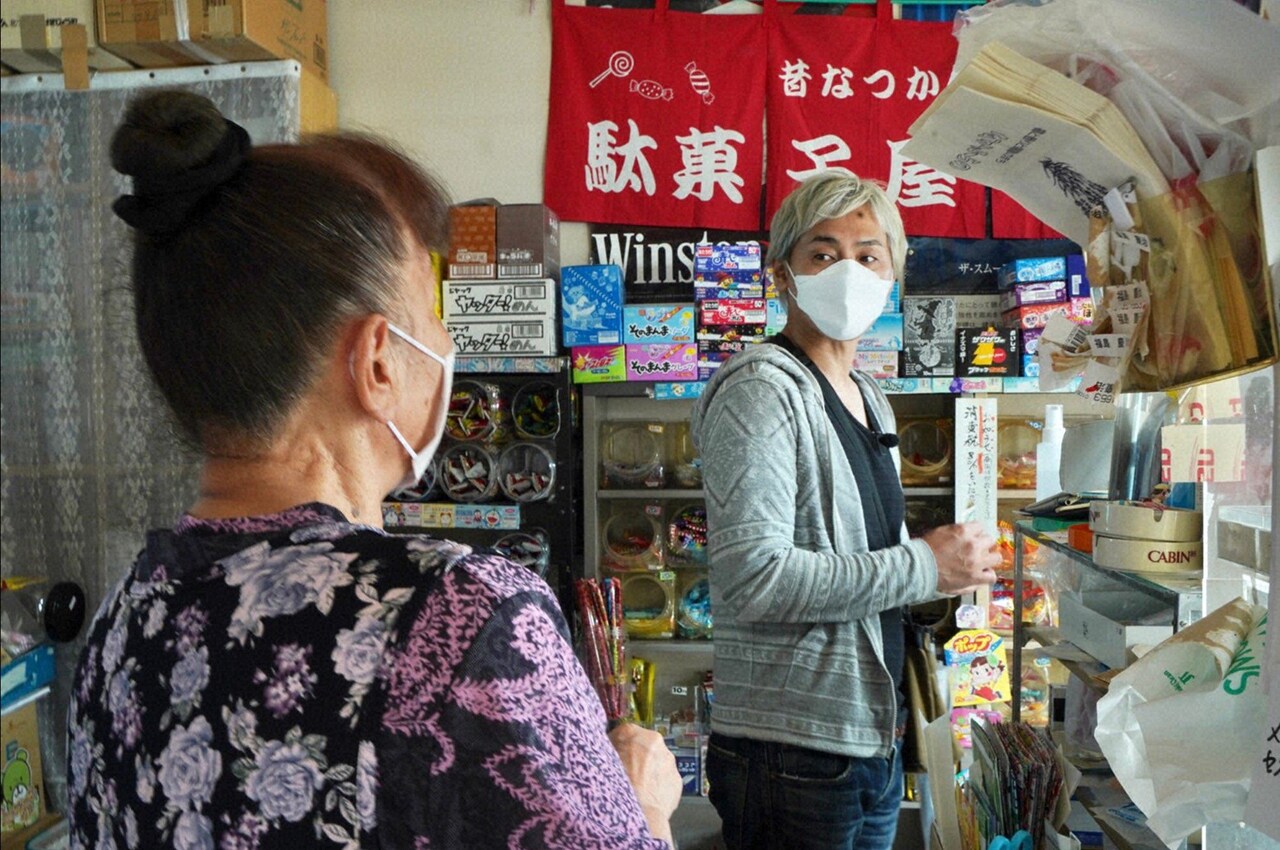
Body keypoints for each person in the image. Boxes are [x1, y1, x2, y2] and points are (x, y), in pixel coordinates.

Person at [66, 90, 681, 850]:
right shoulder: (463, 616)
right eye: (436, 313)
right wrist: (644, 806)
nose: (448, 347)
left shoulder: (120, 625)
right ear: (378, 362)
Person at [691, 170, 1002, 850]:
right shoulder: (761, 390)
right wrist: (923, 566)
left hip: (868, 738)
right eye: (823, 253)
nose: (849, 271)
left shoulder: (868, 396)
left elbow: (865, 561)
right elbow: (754, 578)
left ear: (892, 273)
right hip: (791, 753)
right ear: (783, 275)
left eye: (869, 254)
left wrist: (943, 579)